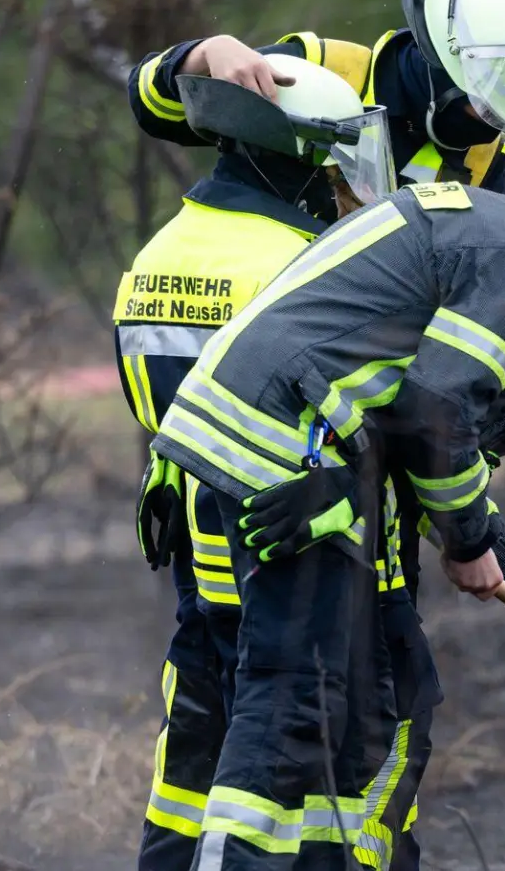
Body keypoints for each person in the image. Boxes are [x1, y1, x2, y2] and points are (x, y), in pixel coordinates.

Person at [147, 132, 505, 871]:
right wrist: (468, 546)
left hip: (249, 441)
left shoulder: (485, 225)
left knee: (312, 695)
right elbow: (434, 414)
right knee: (295, 696)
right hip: (292, 455)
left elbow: (413, 432)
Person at [118, 55, 394, 871]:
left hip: (199, 568)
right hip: (291, 556)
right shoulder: (308, 270)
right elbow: (360, 427)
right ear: (301, 160)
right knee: (288, 780)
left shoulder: (155, 259)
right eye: (337, 159)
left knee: (191, 765)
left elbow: (171, 414)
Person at [128, 0, 505, 198]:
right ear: (441, 72)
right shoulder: (317, 69)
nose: (489, 129)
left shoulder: (485, 158)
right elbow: (153, 110)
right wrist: (203, 54)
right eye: (485, 108)